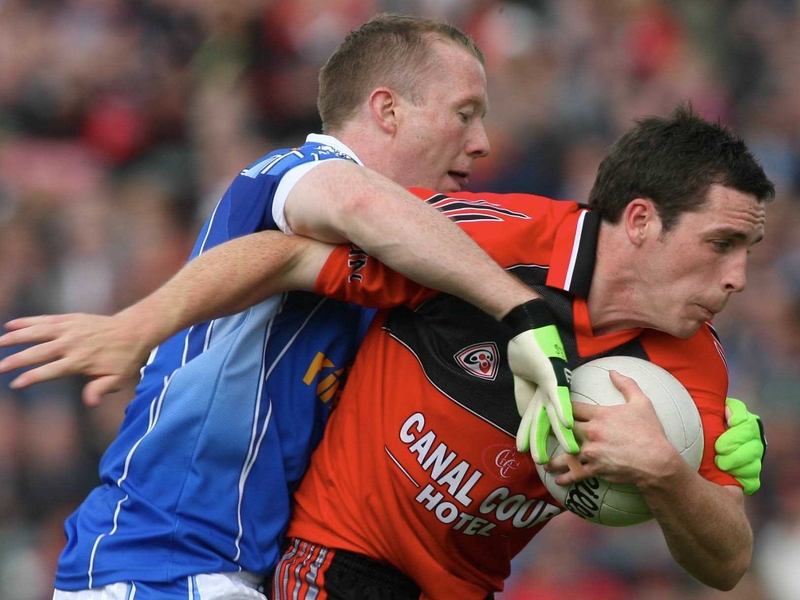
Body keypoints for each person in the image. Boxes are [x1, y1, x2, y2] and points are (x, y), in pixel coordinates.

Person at [0, 21, 764, 600]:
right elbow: (337, 217)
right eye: (464, 114)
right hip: (165, 557)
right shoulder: (304, 173)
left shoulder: (426, 246)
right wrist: (138, 323)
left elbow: (728, 557)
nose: (483, 142)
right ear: (388, 111)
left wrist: (678, 467)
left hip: (246, 566)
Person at [168, 104, 769, 599]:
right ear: (640, 220)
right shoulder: (489, 237)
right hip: (340, 560)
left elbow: (728, 561)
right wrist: (138, 328)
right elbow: (284, 253)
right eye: (722, 243)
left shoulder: (695, 363)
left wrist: (665, 472)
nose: (738, 276)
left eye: (748, 249)